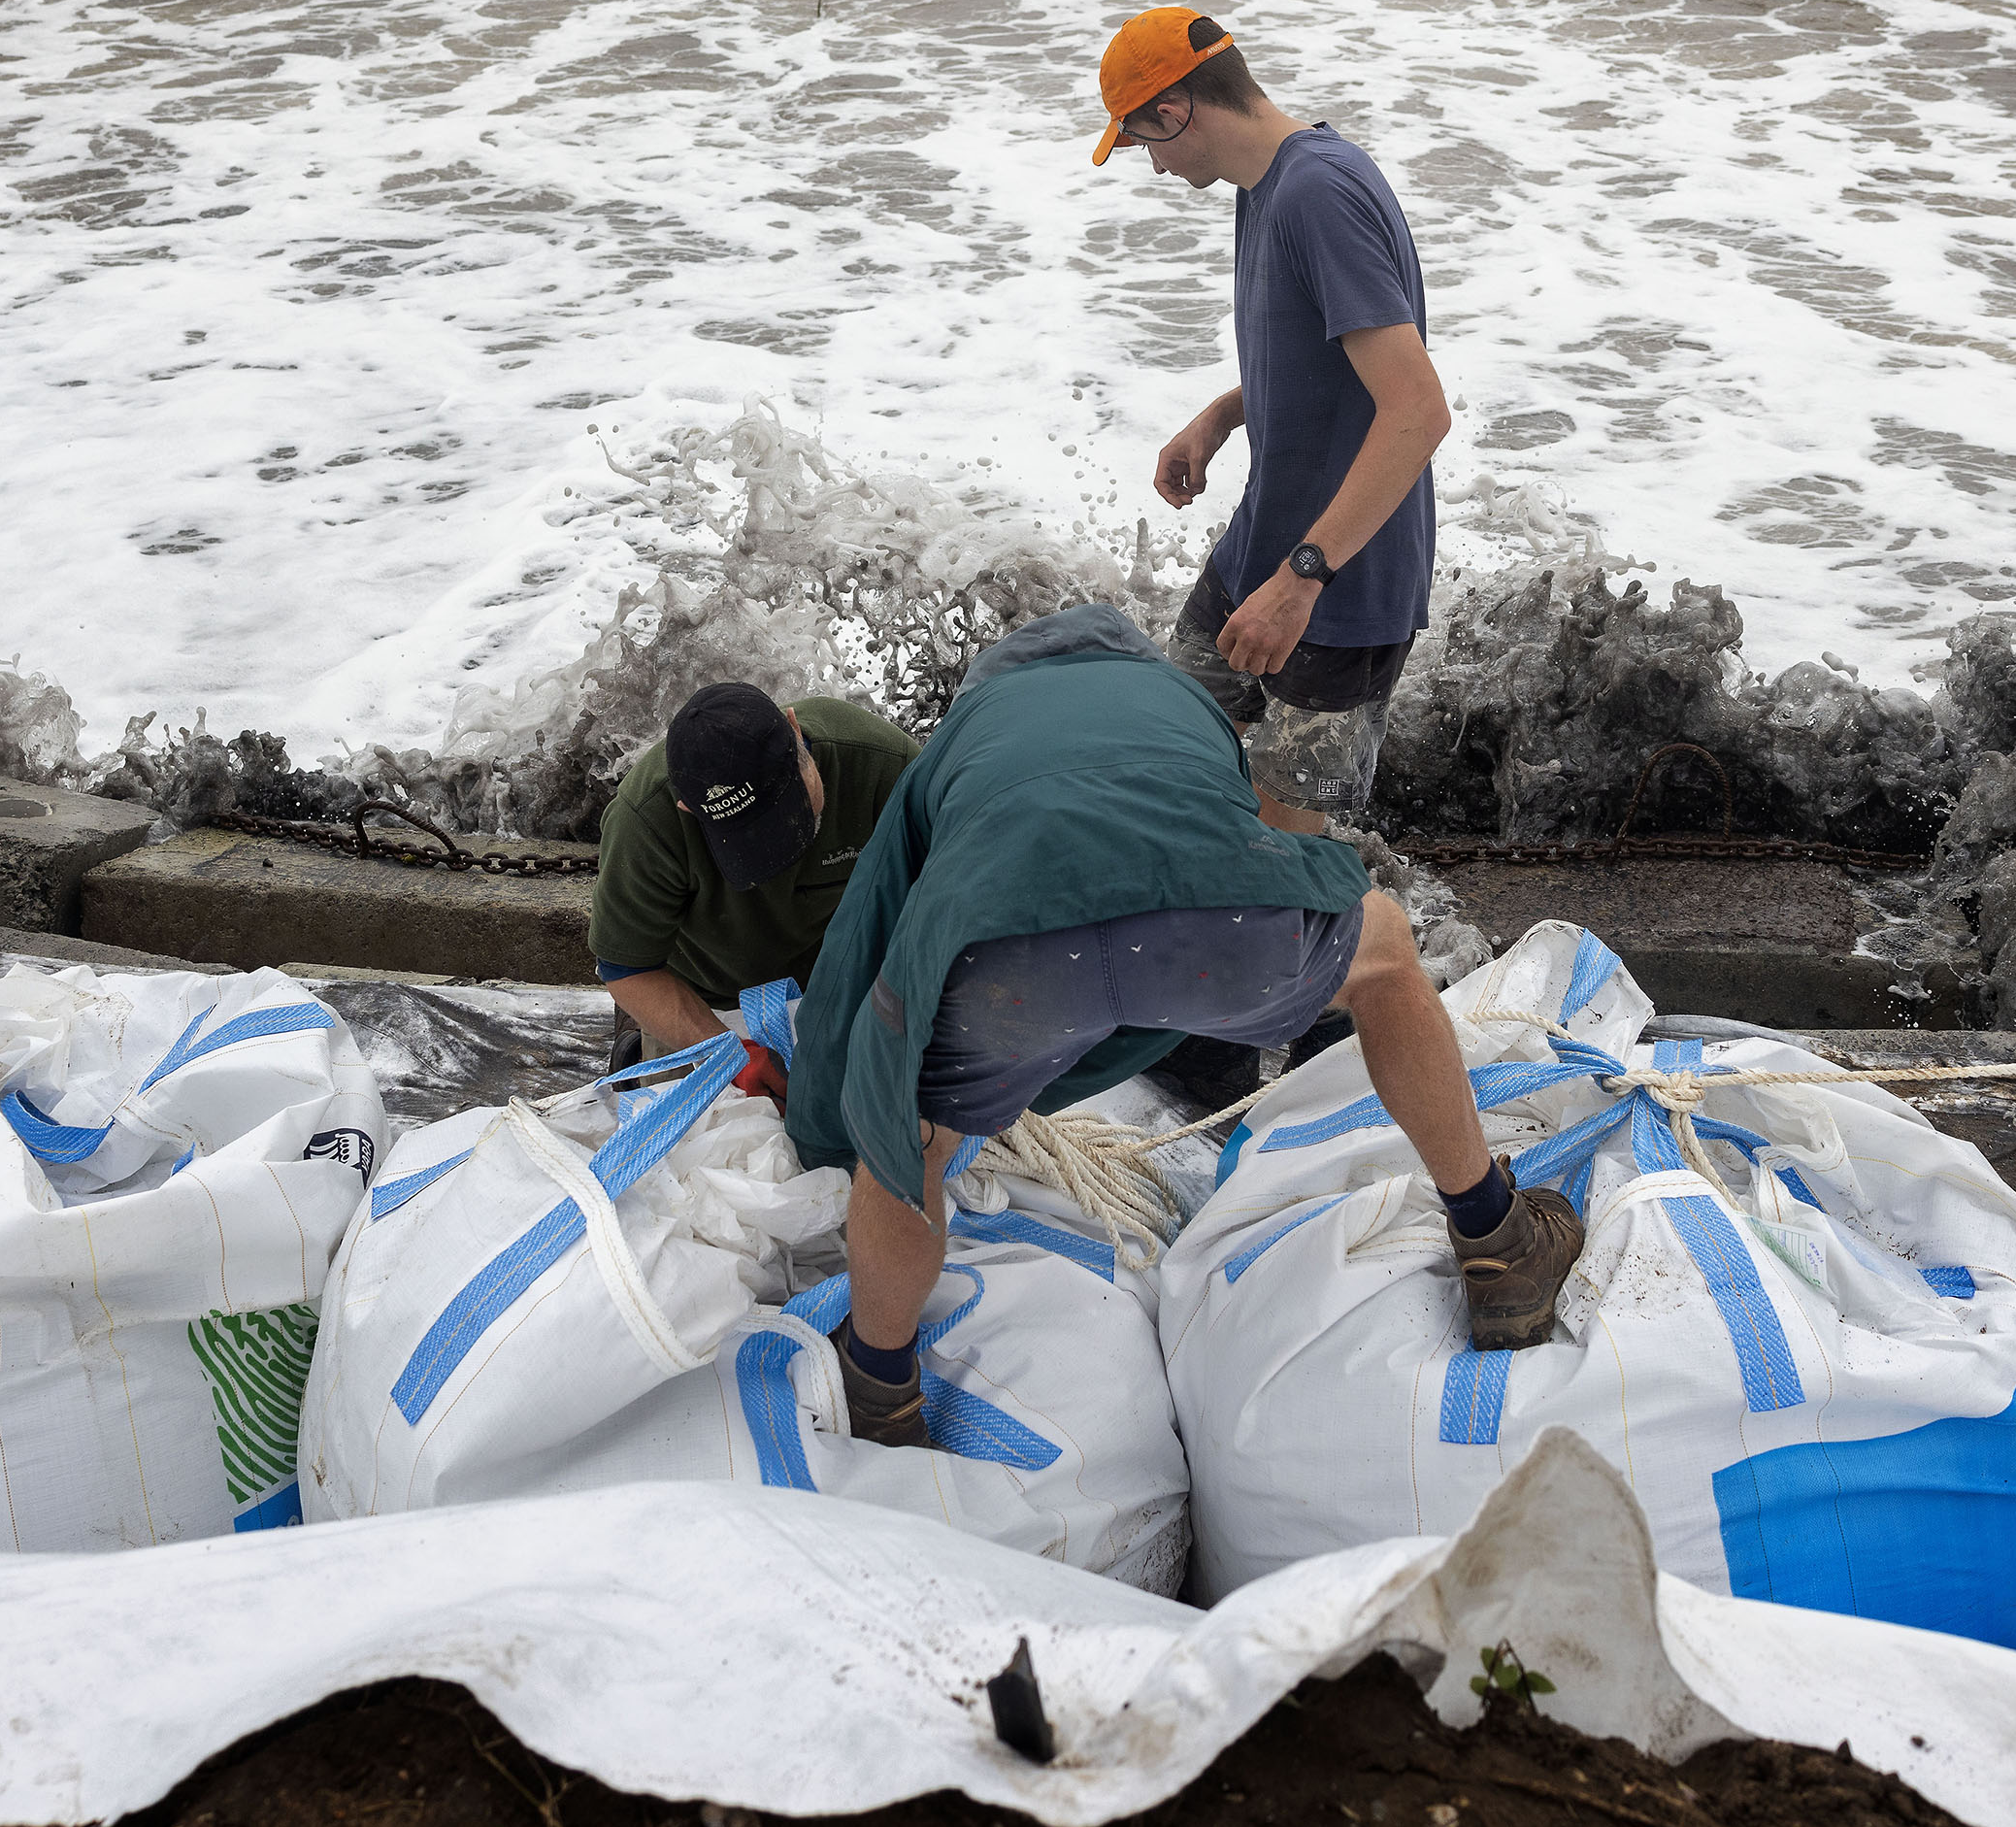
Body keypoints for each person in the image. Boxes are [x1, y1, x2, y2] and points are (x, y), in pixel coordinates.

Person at [784, 607, 1585, 1447]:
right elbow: (1192, 869)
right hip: (1216, 933)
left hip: (1007, 970)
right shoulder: (1180, 696)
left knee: (913, 1151)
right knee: (1383, 952)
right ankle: (1498, 1242)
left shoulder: (960, 735)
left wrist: (832, 1129)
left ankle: (880, 1388)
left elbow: (860, 944)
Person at [1096, 9, 1449, 838]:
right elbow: (1327, 354)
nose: (1151, 165)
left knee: (1280, 857)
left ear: (1176, 107)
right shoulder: (1270, 186)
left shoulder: (1317, 194)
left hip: (1341, 580)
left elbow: (1418, 411)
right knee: (1162, 758)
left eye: (1144, 139)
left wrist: (1302, 581)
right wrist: (1222, 414)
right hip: (1265, 543)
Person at [589, 683, 918, 1099]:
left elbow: (950, 897)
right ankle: (637, 1046)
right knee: (686, 1155)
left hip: (845, 985)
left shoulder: (884, 765)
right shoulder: (645, 821)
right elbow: (627, 969)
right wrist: (728, 1054)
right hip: (702, 1002)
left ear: (795, 732)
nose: (782, 847)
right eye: (750, 839)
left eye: (786, 810)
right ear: (688, 809)